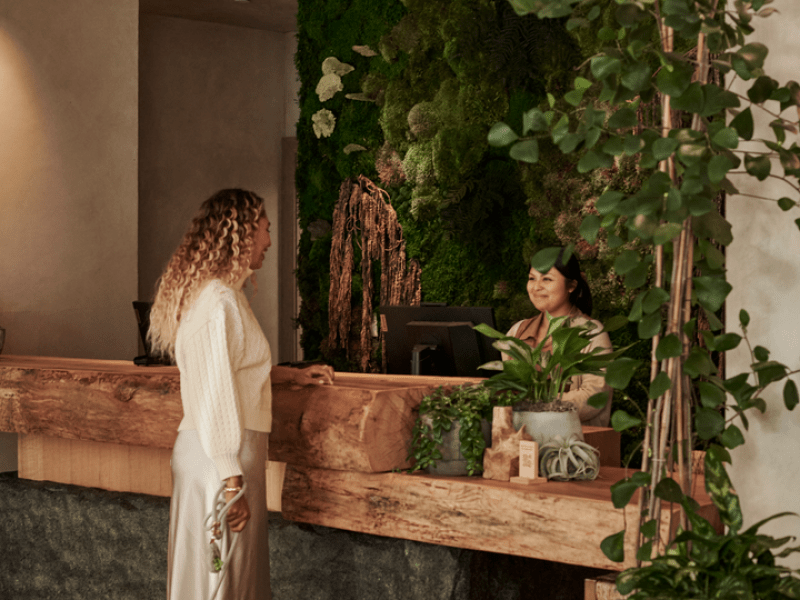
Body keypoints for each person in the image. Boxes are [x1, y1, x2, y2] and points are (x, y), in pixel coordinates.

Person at [148, 188, 333, 600]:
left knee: (228, 582)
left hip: (222, 460)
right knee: (220, 584)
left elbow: (231, 369)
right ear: (241, 235)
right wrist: (232, 481)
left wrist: (287, 376)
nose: (269, 240)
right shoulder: (217, 303)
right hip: (220, 464)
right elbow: (215, 393)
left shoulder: (223, 298)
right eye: (265, 229)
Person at [505, 249, 613, 427]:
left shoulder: (592, 333)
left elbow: (595, 396)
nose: (536, 286)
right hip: (522, 439)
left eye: (546, 279)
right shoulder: (517, 332)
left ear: (571, 286)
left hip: (570, 444)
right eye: (532, 278)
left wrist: (539, 405)